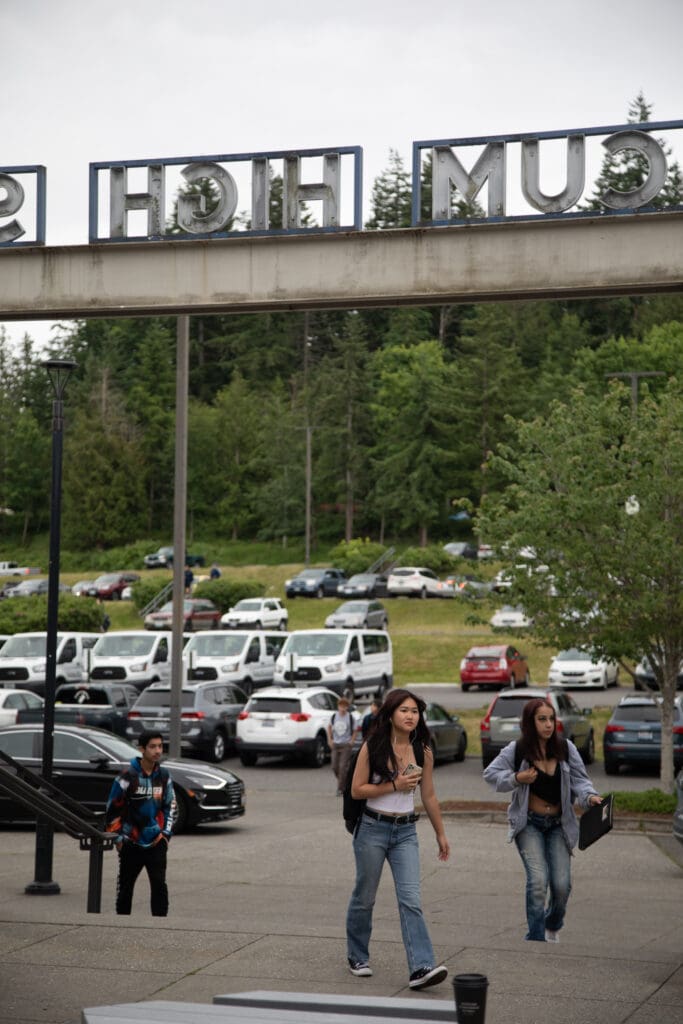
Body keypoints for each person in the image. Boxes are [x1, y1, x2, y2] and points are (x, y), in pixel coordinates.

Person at [345, 688, 450, 991]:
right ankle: (357, 956)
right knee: (365, 896)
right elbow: (356, 790)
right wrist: (395, 784)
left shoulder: (422, 750)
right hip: (372, 829)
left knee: (411, 900)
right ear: (390, 714)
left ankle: (421, 968)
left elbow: (428, 795)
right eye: (404, 710)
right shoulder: (373, 746)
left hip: (406, 832)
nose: (410, 716)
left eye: (415, 711)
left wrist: (440, 833)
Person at [483, 697, 602, 943]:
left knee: (561, 885)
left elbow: (581, 781)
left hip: (559, 825)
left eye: (551, 719)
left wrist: (589, 797)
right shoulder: (517, 750)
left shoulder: (565, 749)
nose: (548, 724)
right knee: (538, 881)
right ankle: (535, 937)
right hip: (529, 824)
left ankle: (552, 923)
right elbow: (491, 774)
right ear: (530, 722)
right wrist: (517, 778)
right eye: (542, 719)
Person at [105, 730, 176, 916]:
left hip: (156, 841)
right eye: (153, 747)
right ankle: (122, 926)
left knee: (160, 886)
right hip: (131, 842)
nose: (158, 751)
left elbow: (170, 806)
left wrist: (166, 835)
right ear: (142, 749)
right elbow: (112, 809)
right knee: (125, 889)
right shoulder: (127, 776)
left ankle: (160, 926)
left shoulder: (164, 775)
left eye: (160, 746)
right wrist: (119, 839)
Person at [328, 697, 360, 795]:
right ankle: (345, 782)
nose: (342, 708)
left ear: (347, 707)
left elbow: (355, 730)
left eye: (344, 707)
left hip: (346, 745)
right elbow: (329, 727)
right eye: (341, 706)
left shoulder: (350, 718)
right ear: (338, 706)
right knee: (334, 766)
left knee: (342, 767)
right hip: (336, 744)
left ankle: (340, 789)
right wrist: (330, 739)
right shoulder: (334, 716)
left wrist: (352, 741)